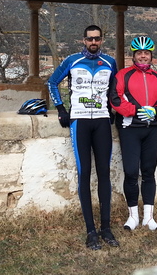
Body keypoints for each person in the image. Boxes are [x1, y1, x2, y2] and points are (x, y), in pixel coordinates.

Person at [46, 25, 119, 250]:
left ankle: (105, 228)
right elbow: (51, 82)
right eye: (90, 39)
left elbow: (114, 88)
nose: (93, 42)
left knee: (104, 173)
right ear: (84, 40)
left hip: (102, 121)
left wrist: (113, 108)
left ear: (102, 40)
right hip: (79, 121)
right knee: (85, 173)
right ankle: (91, 231)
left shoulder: (109, 62)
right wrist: (60, 108)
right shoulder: (72, 60)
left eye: (97, 39)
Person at [108, 36, 157, 231]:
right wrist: (135, 111)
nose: (143, 56)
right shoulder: (123, 75)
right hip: (130, 129)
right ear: (133, 55)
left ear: (151, 55)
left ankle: (149, 218)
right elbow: (115, 99)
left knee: (148, 173)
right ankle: (133, 217)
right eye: (139, 53)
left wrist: (156, 110)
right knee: (130, 172)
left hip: (151, 129)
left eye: (146, 53)